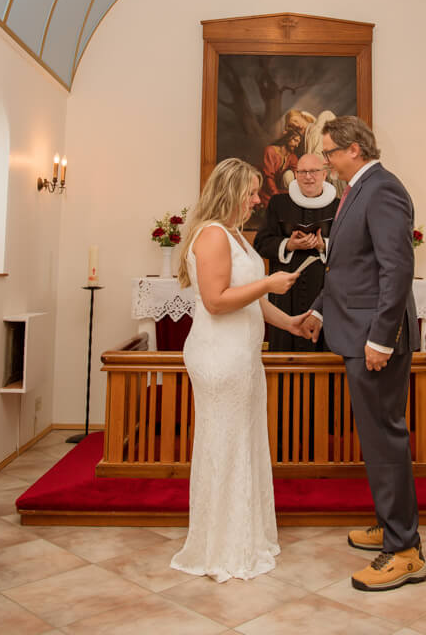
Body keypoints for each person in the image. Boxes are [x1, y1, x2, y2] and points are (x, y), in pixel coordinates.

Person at [302, 116, 426, 593]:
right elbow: (348, 268)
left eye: (330, 153)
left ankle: (405, 551)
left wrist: (381, 338)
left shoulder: (383, 189)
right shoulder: (359, 189)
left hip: (374, 337)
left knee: (385, 439)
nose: (327, 162)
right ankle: (390, 523)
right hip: (356, 329)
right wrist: (319, 309)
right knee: (375, 438)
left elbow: (396, 268)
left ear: (354, 149)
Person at [170, 158, 310, 582]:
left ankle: (244, 536)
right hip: (219, 356)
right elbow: (216, 301)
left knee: (243, 443)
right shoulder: (212, 234)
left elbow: (251, 300)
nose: (255, 200)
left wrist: (290, 322)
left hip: (242, 356)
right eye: (249, 193)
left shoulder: (234, 235)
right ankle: (221, 547)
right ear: (229, 192)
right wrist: (268, 282)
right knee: (224, 445)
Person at [254, 153, 338, 351]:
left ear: (324, 174)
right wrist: (289, 245)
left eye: (314, 171)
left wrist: (323, 245)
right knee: (285, 344)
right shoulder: (278, 204)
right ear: (295, 174)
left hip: (324, 289)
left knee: (323, 348)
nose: (308, 177)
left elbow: (352, 248)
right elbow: (261, 243)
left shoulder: (338, 206)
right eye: (302, 172)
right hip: (285, 294)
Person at [259, 128, 301, 208]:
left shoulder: (292, 156)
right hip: (265, 186)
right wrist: (276, 195)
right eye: (295, 140)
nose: (297, 145)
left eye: (298, 142)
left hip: (277, 188)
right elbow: (268, 177)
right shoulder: (270, 150)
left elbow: (297, 173)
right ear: (287, 138)